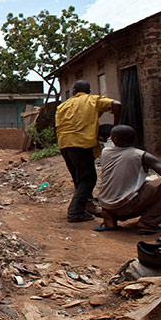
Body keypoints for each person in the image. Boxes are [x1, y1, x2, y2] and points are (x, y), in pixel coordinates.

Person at [94, 125, 161, 233]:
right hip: (125, 206)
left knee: (145, 183)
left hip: (105, 203)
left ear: (114, 139)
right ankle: (148, 222)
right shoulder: (142, 155)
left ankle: (109, 216)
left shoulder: (106, 151)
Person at [55, 80, 121, 223]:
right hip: (81, 144)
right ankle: (75, 211)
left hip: (64, 144)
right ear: (89, 91)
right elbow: (117, 105)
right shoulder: (93, 100)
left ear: (73, 91)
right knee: (88, 178)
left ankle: (87, 204)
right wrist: (116, 128)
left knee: (79, 178)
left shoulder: (62, 106)